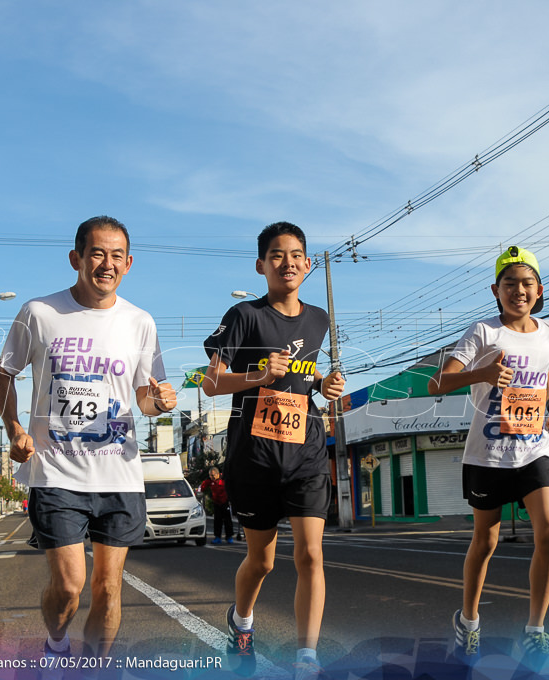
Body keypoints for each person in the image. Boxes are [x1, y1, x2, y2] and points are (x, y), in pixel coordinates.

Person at [0, 216, 177, 661]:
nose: (106, 264)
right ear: (76, 258)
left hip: (119, 472)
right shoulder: (39, 313)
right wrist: (14, 429)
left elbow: (144, 400)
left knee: (109, 590)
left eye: (116, 256)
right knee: (71, 587)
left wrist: (160, 402)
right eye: (97, 253)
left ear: (128, 264)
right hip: (56, 471)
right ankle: (56, 645)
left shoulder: (140, 322)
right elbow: (3, 376)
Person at [201, 221, 345, 680]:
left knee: (310, 556)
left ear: (307, 263)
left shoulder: (319, 319)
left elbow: (304, 378)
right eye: (277, 255)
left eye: (297, 254)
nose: (289, 262)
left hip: (305, 451)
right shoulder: (244, 316)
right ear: (262, 265)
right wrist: (258, 377)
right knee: (262, 560)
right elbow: (209, 384)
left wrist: (325, 384)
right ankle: (241, 620)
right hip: (255, 455)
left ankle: (307, 657)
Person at [428, 245, 549, 661]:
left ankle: (535, 628)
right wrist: (485, 373)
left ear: (539, 289)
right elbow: (438, 384)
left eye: (527, 283)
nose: (519, 291)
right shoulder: (484, 332)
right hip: (488, 454)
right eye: (510, 284)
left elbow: (543, 374)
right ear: (496, 290)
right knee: (485, 541)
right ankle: (469, 621)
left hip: (533, 450)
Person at [200, 466, 234, 544]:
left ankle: (229, 537)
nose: (211, 477)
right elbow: (202, 487)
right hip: (216, 503)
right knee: (217, 521)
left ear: (218, 474)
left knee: (227, 520)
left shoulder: (224, 479)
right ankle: (217, 537)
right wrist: (199, 493)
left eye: (213, 475)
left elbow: (231, 486)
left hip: (225, 502)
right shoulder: (209, 481)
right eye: (210, 475)